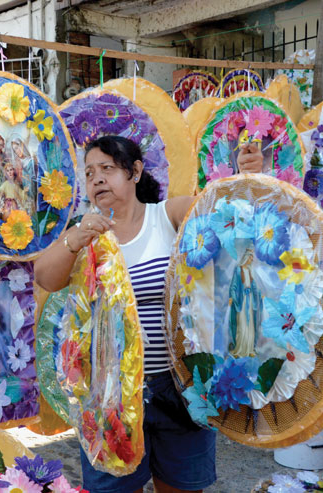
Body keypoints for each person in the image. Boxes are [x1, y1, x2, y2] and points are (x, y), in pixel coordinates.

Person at [34, 135, 263, 493]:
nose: (97, 179)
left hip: (181, 388)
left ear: (136, 171)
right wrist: (73, 240)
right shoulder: (87, 234)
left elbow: (225, 217)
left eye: (107, 168)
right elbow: (45, 277)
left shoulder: (167, 216)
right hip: (111, 396)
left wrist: (246, 177)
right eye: (89, 173)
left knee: (182, 487)